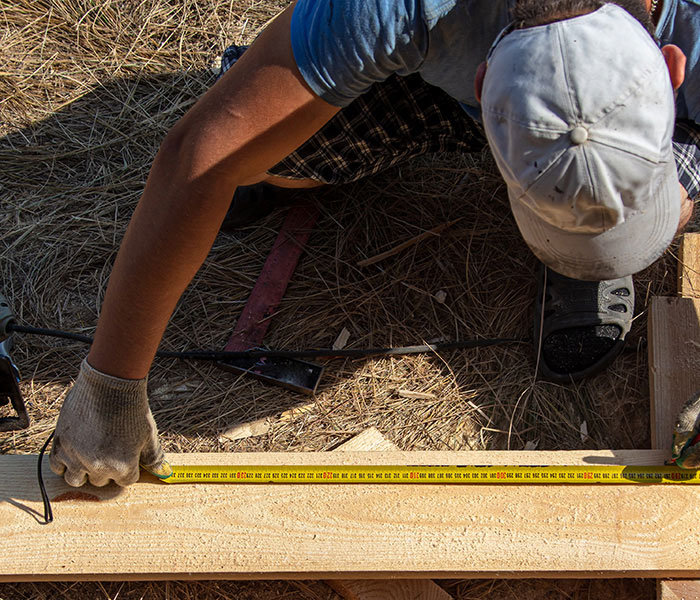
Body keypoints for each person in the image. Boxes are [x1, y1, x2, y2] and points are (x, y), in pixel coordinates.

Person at [49, 0, 700, 487]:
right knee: (263, 150)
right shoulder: (399, 6)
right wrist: (111, 383)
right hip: (438, 58)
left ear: (673, 66)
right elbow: (202, 157)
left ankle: (592, 240)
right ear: (481, 85)